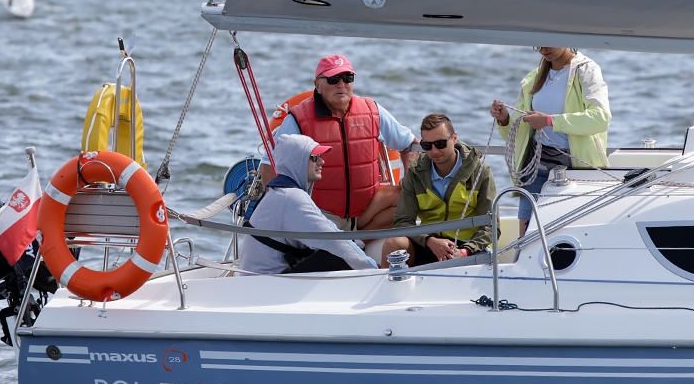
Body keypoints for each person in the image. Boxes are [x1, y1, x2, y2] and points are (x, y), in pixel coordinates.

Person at [260, 55, 419, 232]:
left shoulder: (372, 111)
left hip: (366, 212)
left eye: (347, 78)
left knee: (408, 198)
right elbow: (268, 165)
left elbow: (410, 144)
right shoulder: (298, 119)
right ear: (318, 85)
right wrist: (282, 210)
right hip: (320, 216)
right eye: (333, 79)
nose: (341, 84)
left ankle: (356, 242)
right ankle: (350, 245)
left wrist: (410, 175)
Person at [490, 47, 610, 237]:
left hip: (574, 168)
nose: (542, 49)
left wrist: (549, 121)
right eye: (537, 45)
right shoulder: (535, 77)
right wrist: (504, 119)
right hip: (535, 167)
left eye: (548, 42)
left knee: (567, 236)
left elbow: (601, 118)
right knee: (525, 238)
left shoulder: (586, 70)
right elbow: (517, 137)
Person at [239, 134, 378, 275]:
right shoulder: (291, 198)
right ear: (297, 161)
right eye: (314, 157)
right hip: (266, 285)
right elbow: (334, 241)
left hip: (257, 280)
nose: (322, 161)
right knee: (339, 256)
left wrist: (357, 245)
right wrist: (375, 271)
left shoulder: (280, 193)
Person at [380, 113, 496, 268]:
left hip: (468, 248)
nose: (434, 151)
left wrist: (465, 251)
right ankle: (390, 290)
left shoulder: (481, 172)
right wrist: (430, 241)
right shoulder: (415, 173)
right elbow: (402, 222)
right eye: (427, 146)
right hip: (429, 245)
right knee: (394, 243)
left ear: (454, 138)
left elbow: (491, 226)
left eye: (440, 143)